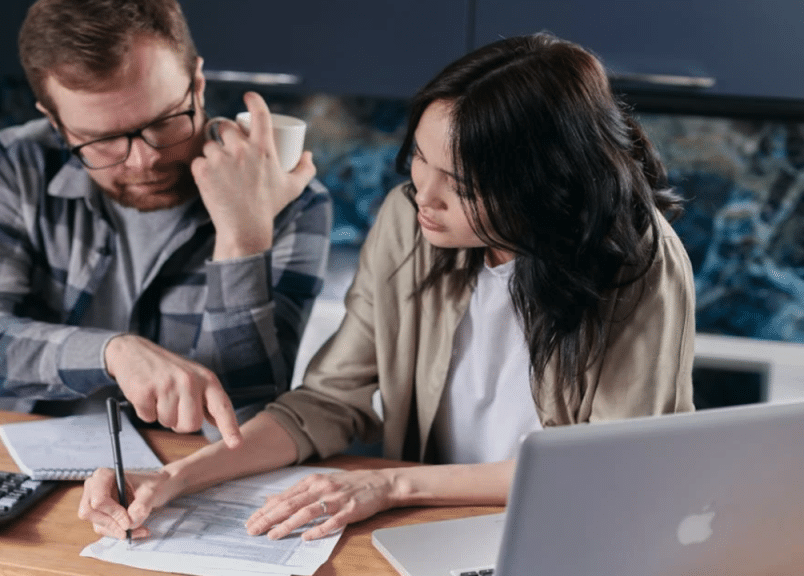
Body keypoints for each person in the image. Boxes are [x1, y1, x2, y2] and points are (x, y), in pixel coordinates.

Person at [78, 32, 696, 541]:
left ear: (545, 188)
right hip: (430, 527)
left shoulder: (640, 263)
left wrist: (391, 484)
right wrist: (179, 476)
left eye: (463, 185)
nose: (422, 194)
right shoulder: (410, 222)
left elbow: (606, 469)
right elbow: (326, 402)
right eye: (419, 158)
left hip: (570, 535)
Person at [0, 0, 332, 447]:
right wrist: (112, 354)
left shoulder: (291, 199)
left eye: (163, 122)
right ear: (56, 124)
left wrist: (242, 241)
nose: (145, 160)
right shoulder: (21, 162)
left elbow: (244, 422)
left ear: (197, 84)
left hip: (188, 475)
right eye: (101, 140)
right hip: (24, 455)